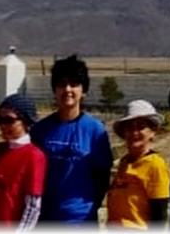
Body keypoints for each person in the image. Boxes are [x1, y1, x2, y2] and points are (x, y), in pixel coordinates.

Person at [29, 54, 113, 222]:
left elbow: (102, 176)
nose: (67, 90)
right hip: (44, 218)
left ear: (84, 91)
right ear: (54, 90)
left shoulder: (96, 131)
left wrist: (90, 206)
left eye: (74, 84)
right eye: (61, 84)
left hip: (80, 219)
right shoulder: (40, 130)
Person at [0, 94, 46, 232]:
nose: (3, 125)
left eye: (9, 120)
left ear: (26, 122)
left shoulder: (34, 155)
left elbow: (33, 206)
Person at [105, 99, 170, 229]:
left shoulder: (155, 165)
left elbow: (159, 215)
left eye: (140, 127)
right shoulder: (124, 162)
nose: (134, 133)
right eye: (129, 127)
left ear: (152, 132)